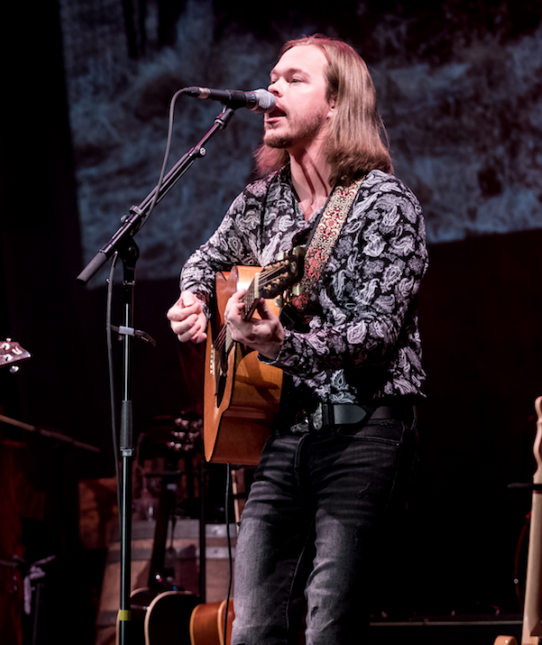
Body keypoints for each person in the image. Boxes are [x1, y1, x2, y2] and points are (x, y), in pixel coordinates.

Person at [167, 36, 426, 644]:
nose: (270, 89)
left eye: (293, 79)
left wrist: (283, 346)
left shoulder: (385, 204)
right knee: (253, 628)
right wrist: (193, 300)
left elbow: (374, 332)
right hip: (284, 434)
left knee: (328, 626)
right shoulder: (263, 199)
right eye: (270, 77)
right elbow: (204, 261)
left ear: (337, 104)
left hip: (364, 429)